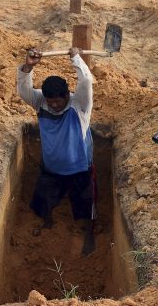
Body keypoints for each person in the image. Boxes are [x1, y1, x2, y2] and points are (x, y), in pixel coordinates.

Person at [16, 47, 96, 255]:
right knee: (43, 201)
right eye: (50, 101)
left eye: (58, 101)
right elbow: (23, 88)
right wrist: (28, 67)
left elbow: (86, 82)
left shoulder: (80, 105)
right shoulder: (40, 103)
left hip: (79, 168)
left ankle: (89, 235)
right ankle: (48, 223)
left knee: (85, 206)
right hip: (51, 167)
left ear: (67, 95)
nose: (54, 105)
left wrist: (76, 58)